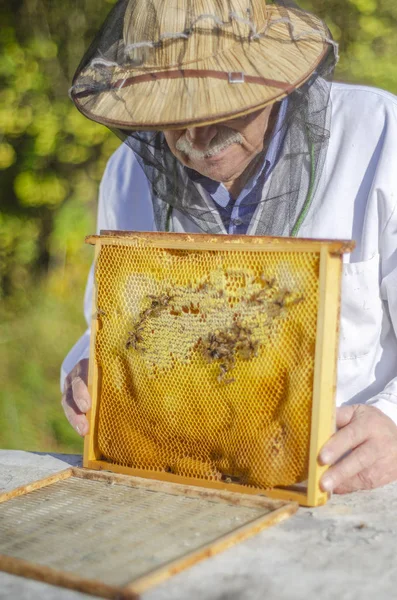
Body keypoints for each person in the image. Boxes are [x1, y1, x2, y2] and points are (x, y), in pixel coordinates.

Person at [62, 0, 397, 494]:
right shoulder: (127, 174)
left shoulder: (381, 137)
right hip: (176, 487)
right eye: (172, 113)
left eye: (219, 107)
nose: (195, 137)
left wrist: (392, 423)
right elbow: (111, 325)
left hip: (345, 486)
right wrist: (88, 372)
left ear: (275, 80)